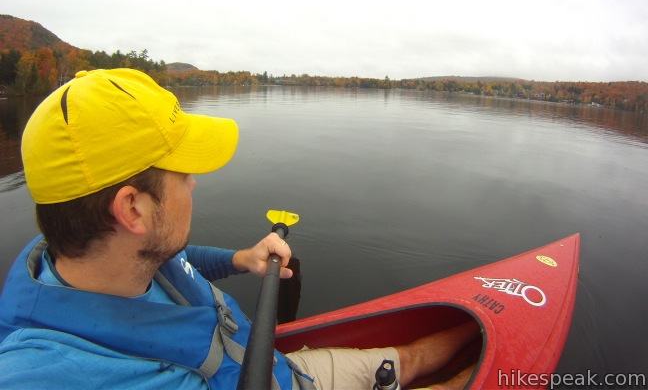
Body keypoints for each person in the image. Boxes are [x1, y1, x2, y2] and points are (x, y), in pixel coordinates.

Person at [0, 68, 478, 389]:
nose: (195, 185)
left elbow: (177, 262)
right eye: (184, 174)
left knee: (417, 357)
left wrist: (240, 259)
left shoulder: (90, 255)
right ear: (134, 210)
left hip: (274, 368)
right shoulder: (43, 374)